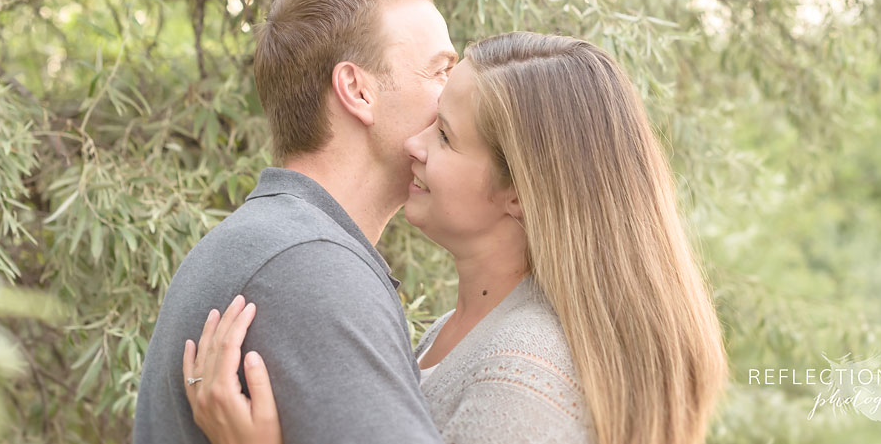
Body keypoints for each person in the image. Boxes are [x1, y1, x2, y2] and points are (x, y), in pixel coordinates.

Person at [183, 32, 729, 444]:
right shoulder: (457, 333)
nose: (414, 145)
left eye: (444, 135)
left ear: (519, 193)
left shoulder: (522, 373)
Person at [133, 0, 458, 444]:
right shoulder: (311, 268)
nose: (455, 92)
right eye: (440, 70)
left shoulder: (276, 243)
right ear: (357, 90)